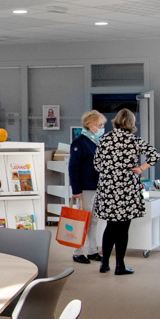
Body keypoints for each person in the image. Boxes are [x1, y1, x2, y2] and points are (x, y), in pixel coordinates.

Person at [92, 107, 159, 275]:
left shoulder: (104, 139)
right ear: (131, 122)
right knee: (123, 229)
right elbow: (154, 155)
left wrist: (110, 171)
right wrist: (141, 168)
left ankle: (104, 263)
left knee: (110, 226)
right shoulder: (134, 140)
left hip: (108, 188)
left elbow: (97, 165)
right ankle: (120, 265)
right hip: (127, 189)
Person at [68, 111, 105, 264]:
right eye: (99, 125)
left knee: (94, 220)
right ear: (90, 125)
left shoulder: (96, 142)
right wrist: (76, 189)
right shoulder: (80, 143)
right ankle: (77, 252)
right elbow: (73, 167)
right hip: (85, 187)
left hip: (97, 186)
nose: (102, 128)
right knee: (82, 221)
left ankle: (92, 250)